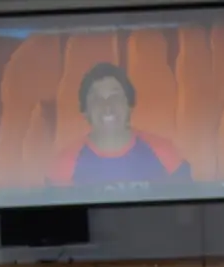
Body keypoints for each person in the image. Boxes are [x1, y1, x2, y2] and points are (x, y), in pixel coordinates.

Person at [48, 63, 191, 187]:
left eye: (115, 96)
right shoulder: (64, 164)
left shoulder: (165, 153)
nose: (107, 106)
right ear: (85, 111)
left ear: (130, 105)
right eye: (97, 99)